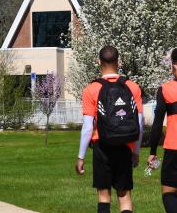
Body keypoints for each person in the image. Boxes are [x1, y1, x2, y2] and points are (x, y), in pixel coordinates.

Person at [76, 45, 143, 213]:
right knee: (124, 196)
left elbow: (87, 127)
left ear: (99, 62)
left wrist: (81, 156)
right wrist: (136, 151)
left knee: (104, 196)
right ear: (118, 62)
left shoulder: (91, 89)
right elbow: (139, 124)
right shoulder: (132, 87)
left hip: (102, 146)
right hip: (125, 146)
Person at [148, 48, 177, 213]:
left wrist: (152, 151)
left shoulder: (165, 89)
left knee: (169, 193)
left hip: (173, 148)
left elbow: (158, 123)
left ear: (172, 65)